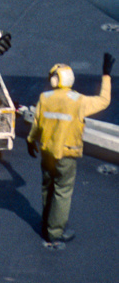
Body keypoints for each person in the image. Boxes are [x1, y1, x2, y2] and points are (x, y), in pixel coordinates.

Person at [26, 53, 112, 245]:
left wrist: (31, 141)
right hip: (66, 155)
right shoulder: (79, 101)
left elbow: (37, 123)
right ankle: (55, 232)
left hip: (47, 153)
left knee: (47, 188)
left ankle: (45, 224)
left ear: (55, 80)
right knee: (62, 192)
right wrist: (106, 75)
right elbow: (104, 101)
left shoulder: (45, 97)